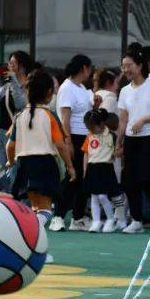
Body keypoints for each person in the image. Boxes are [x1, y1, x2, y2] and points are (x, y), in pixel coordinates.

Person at [6, 69, 75, 228]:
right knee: (45, 210)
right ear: (49, 92)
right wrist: (70, 166)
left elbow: (10, 145)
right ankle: (33, 230)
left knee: (35, 207)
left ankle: (31, 235)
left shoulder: (19, 116)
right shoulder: (50, 115)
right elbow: (60, 145)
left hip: (24, 165)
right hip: (45, 164)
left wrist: (11, 162)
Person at [116, 50, 150, 234]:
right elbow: (123, 119)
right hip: (131, 139)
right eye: (123, 66)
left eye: (129, 65)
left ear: (140, 66)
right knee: (129, 181)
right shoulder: (125, 91)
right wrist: (119, 142)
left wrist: (144, 119)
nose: (126, 69)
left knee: (146, 178)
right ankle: (137, 220)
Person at [51, 54, 94, 232]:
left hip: (85, 138)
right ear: (84, 68)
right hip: (73, 137)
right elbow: (65, 118)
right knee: (72, 177)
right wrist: (68, 141)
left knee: (83, 179)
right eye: (89, 68)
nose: (90, 72)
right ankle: (58, 216)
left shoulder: (82, 88)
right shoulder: (67, 87)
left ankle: (78, 218)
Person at [81, 108, 125, 232]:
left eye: (92, 127)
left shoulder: (111, 136)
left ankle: (111, 220)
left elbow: (120, 150)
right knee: (94, 197)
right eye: (88, 127)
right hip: (92, 168)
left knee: (103, 196)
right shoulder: (90, 136)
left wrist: (117, 153)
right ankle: (96, 221)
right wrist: (85, 170)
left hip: (106, 168)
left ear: (101, 124)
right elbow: (86, 153)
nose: (90, 130)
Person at [0, 50, 32, 168]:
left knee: (14, 169)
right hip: (1, 132)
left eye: (13, 63)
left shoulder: (29, 85)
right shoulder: (7, 85)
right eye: (9, 63)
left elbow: (21, 105)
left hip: (17, 133)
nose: (9, 66)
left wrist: (14, 81)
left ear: (22, 66)